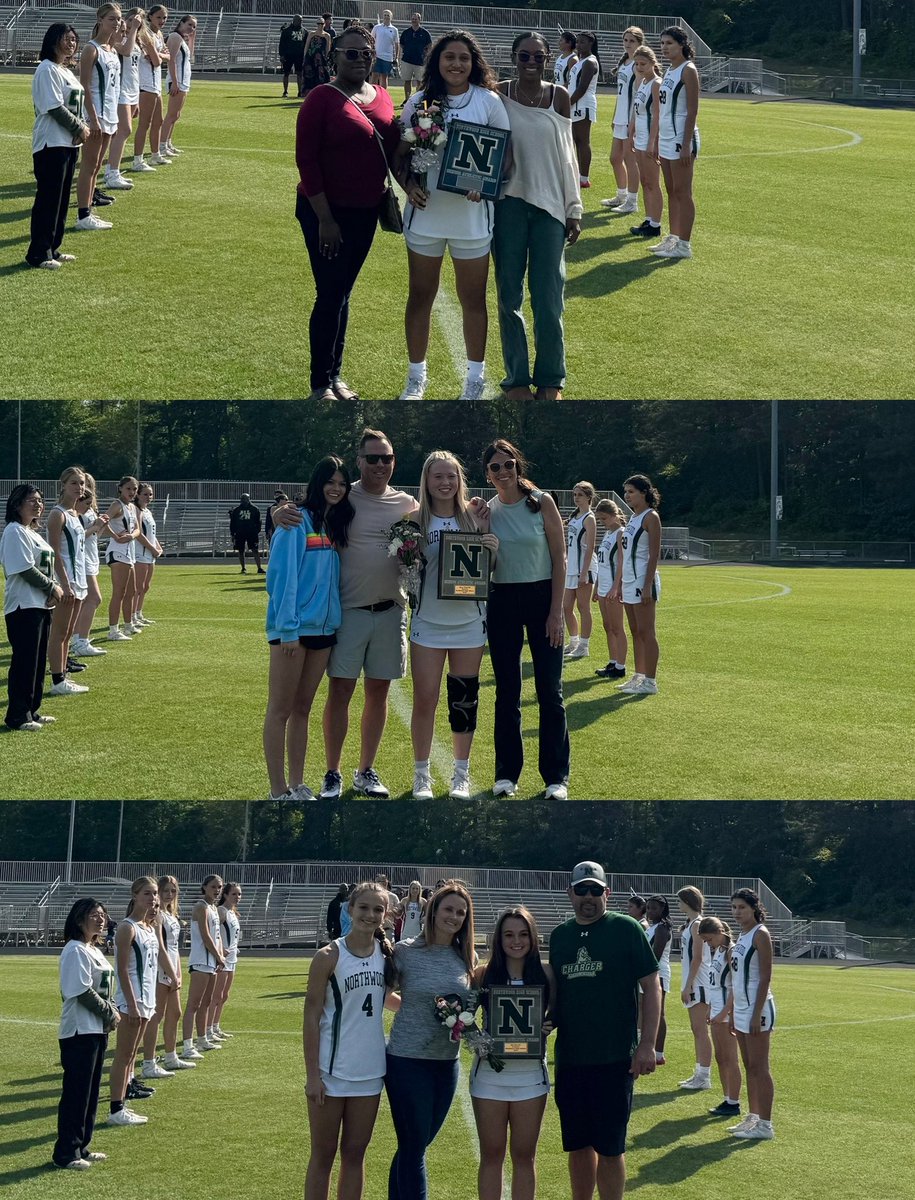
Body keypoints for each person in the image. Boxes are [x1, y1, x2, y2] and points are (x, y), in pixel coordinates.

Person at [396, 31, 510, 403]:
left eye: (464, 57)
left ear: (474, 62)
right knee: (420, 296)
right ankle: (416, 379)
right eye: (449, 57)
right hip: (426, 215)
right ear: (437, 62)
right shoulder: (418, 101)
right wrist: (408, 185)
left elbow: (504, 157)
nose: (457, 64)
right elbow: (400, 155)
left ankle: (474, 380)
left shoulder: (489, 101)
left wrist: (486, 183)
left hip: (472, 219)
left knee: (473, 299)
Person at [295, 24, 399, 402]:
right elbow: (306, 160)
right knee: (330, 293)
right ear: (334, 56)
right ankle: (320, 383)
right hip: (325, 212)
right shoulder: (321, 98)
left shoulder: (383, 96)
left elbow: (395, 151)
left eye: (366, 54)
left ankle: (335, 376)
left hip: (365, 212)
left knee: (343, 293)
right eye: (351, 53)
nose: (359, 60)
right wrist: (325, 219)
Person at [549, 862, 660, 1200]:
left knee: (611, 1148)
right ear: (570, 893)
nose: (588, 897)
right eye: (581, 889)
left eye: (595, 890)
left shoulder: (625, 928)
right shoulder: (560, 936)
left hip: (614, 1058)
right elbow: (556, 994)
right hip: (570, 1058)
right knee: (578, 1145)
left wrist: (647, 1045)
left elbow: (651, 987)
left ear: (607, 893)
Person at [319, 431, 416, 798]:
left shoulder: (407, 502)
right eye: (373, 458)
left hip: (392, 611)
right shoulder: (345, 495)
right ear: (359, 460)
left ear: (394, 461)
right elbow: (310, 506)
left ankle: (366, 770)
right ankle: (333, 772)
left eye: (386, 458)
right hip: (348, 611)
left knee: (379, 692)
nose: (380, 465)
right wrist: (282, 512)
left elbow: (445, 515)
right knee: (340, 690)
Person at [474, 440, 568, 800]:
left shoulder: (541, 502)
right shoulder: (488, 511)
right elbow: (486, 567)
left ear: (518, 465)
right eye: (495, 467)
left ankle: (556, 777)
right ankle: (506, 774)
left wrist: (556, 612)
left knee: (549, 690)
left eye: (508, 464)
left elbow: (560, 560)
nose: (503, 472)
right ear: (487, 474)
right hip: (503, 599)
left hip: (543, 596)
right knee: (507, 691)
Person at [494, 31, 582, 402]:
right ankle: (516, 379)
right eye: (524, 56)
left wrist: (573, 208)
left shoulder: (558, 96)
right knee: (508, 295)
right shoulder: (497, 93)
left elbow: (568, 154)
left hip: (550, 209)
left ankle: (551, 378)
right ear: (513, 57)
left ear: (548, 59)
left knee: (548, 297)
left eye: (538, 57)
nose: (531, 63)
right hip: (508, 204)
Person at [409, 451, 498, 800]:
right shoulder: (414, 519)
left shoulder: (476, 516)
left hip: (468, 623)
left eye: (451, 476)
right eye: (438, 477)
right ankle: (422, 775)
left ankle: (461, 773)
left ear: (460, 479)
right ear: (426, 481)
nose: (445, 483)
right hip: (427, 622)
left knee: (464, 699)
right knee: (425, 699)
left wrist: (492, 546)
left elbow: (489, 570)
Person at [263, 457, 352, 801]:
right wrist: (287, 629)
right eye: (330, 482)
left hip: (325, 631)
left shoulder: (335, 523)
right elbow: (281, 578)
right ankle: (277, 789)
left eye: (342, 483)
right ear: (317, 483)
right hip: (293, 632)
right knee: (280, 709)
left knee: (303, 709)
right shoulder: (295, 520)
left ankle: (298, 784)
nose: (336, 489)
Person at [303, 881, 398, 1200]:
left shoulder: (386, 956)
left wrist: (434, 1006)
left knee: (355, 1155)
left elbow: (386, 999)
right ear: (349, 909)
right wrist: (312, 1076)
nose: (370, 915)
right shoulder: (328, 955)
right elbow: (311, 1017)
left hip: (370, 1072)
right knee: (323, 1155)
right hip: (331, 1074)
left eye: (378, 909)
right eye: (364, 907)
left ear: (385, 916)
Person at [386, 881, 476, 1200]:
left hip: (445, 1065)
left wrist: (458, 1021)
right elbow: (383, 993)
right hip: (406, 1061)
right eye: (449, 909)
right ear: (433, 910)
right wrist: (416, 1007)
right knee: (414, 1146)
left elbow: (469, 1005)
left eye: (461, 912)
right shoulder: (406, 951)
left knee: (416, 1144)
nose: (454, 916)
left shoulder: (467, 957)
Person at [471, 906, 555, 1200]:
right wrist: (480, 1042)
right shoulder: (483, 974)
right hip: (489, 1078)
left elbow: (558, 1013)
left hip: (530, 1077)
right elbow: (465, 1023)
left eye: (523, 934)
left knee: (524, 1157)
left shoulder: (546, 973)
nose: (516, 941)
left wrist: (548, 1023)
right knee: (491, 1155)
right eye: (508, 934)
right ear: (498, 938)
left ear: (533, 937)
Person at [53, 899, 118, 1168]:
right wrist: (109, 1012)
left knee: (90, 1093)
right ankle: (66, 1153)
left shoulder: (93, 949)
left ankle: (82, 1146)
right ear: (79, 919)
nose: (100, 919)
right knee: (76, 1093)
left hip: (95, 1029)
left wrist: (110, 1009)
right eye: (94, 915)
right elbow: (79, 990)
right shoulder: (75, 950)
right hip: (80, 1030)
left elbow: (102, 987)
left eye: (103, 915)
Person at [26, 24, 89, 268]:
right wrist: (79, 128)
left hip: (68, 143)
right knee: (48, 199)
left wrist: (80, 127)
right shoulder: (46, 69)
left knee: (62, 200)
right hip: (51, 142)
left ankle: (53, 248)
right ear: (54, 40)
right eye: (67, 38)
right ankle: (38, 253)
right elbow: (53, 107)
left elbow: (75, 104)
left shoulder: (65, 71)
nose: (72, 43)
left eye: (74, 39)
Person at [1, 486, 62, 731]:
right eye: (31, 501)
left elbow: (45, 566)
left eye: (40, 500)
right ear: (17, 505)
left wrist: (52, 589)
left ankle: (32, 711)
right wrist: (52, 588)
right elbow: (24, 568)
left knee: (37, 662)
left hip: (39, 604)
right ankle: (17, 716)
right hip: (22, 605)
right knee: (25, 662)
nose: (37, 505)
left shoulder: (31, 532)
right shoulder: (15, 531)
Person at [108, 876, 159, 1126]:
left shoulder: (149, 927)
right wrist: (132, 1002)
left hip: (146, 1000)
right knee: (124, 1055)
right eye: (147, 893)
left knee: (132, 1055)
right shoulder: (128, 927)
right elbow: (122, 969)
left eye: (155, 894)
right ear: (135, 896)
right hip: (133, 1001)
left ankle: (124, 1101)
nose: (153, 898)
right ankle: (116, 1109)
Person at [727, 888, 776, 1140]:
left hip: (759, 1008)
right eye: (734, 907)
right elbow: (736, 978)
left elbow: (765, 976)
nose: (737, 912)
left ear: (754, 908)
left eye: (742, 907)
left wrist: (756, 1013)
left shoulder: (760, 934)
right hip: (743, 1008)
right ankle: (753, 1117)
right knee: (749, 1066)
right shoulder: (741, 935)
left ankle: (766, 1125)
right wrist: (735, 1011)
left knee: (760, 1067)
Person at [651, 27, 700, 260]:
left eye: (669, 43)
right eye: (662, 43)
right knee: (672, 190)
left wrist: (686, 142)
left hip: (682, 137)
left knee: (683, 192)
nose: (664, 47)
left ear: (681, 44)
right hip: (668, 137)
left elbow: (692, 111)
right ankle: (673, 237)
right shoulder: (670, 70)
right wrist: (659, 137)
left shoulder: (688, 69)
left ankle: (685, 245)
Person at [141, 874, 195, 1077]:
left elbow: (174, 949)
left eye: (173, 891)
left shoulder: (171, 915)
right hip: (160, 968)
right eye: (165, 891)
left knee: (175, 1013)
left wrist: (178, 972)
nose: (169, 894)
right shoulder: (157, 916)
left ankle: (171, 1056)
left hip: (172, 967)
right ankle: (148, 1063)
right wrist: (172, 974)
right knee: (157, 1016)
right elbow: (161, 948)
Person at [75, 4, 122, 232]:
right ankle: (83, 215)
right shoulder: (91, 49)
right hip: (96, 115)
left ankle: (88, 210)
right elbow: (84, 86)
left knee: (96, 167)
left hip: (110, 115)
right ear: (100, 19)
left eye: (119, 19)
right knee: (89, 166)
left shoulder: (112, 50)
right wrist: (93, 119)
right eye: (112, 18)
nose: (116, 23)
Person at [614, 474, 661, 696]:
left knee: (646, 631)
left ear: (644, 492)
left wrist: (647, 584)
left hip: (643, 580)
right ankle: (639, 675)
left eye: (631, 491)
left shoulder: (651, 517)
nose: (627, 496)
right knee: (635, 631)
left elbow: (653, 555)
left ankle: (650, 681)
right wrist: (623, 582)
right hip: (630, 580)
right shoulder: (633, 518)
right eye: (625, 492)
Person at [46, 466, 90, 697]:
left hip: (79, 581)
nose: (79, 487)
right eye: (74, 483)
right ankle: (57, 680)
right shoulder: (58, 514)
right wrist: (65, 583)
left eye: (81, 483)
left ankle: (63, 674)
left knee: (69, 632)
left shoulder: (76, 515)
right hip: (67, 582)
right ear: (63, 485)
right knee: (60, 633)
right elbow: (55, 552)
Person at [698, 915, 742, 1118]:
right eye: (705, 941)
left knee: (730, 1058)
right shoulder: (718, 951)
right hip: (716, 1009)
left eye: (709, 939)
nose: (708, 943)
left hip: (725, 1012)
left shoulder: (731, 951)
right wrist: (709, 1008)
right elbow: (714, 983)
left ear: (719, 933)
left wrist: (726, 1011)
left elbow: (735, 985)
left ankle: (734, 1102)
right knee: (720, 1057)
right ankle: (727, 1098)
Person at [599, 27, 644, 215]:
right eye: (625, 40)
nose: (627, 44)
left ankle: (632, 201)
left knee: (629, 159)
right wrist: (615, 115)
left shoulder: (640, 64)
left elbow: (640, 94)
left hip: (631, 118)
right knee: (614, 158)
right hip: (621, 117)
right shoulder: (625, 62)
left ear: (639, 43)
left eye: (631, 41)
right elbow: (621, 93)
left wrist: (633, 121)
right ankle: (621, 195)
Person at [180, 874, 225, 1060]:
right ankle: (187, 1045)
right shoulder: (201, 907)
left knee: (206, 1002)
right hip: (200, 960)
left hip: (210, 962)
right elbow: (206, 937)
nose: (217, 890)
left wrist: (219, 956)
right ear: (205, 887)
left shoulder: (214, 908)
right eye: (214, 886)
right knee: (194, 1004)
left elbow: (216, 936)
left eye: (219, 887)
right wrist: (219, 956)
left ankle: (202, 1038)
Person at [676, 885, 713, 1091]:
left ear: (688, 902)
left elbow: (698, 957)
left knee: (700, 1030)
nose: (678, 904)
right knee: (696, 1030)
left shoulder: (697, 924)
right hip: (694, 981)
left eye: (680, 900)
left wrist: (689, 984)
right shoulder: (690, 924)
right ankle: (699, 1073)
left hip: (699, 982)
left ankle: (704, 1076)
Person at [625, 47, 663, 239]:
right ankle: (648, 219)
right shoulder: (643, 82)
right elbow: (636, 109)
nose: (639, 68)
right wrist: (631, 130)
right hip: (639, 136)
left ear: (653, 63)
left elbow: (657, 114)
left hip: (649, 137)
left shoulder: (656, 83)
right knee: (645, 181)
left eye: (643, 64)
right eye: (637, 64)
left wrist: (653, 141)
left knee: (653, 182)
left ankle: (655, 224)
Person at [105, 8, 144, 190]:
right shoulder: (118, 41)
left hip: (131, 90)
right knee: (124, 130)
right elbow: (126, 52)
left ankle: (111, 170)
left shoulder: (136, 41)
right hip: (120, 90)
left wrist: (136, 95)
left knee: (119, 133)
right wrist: (133, 29)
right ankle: (113, 172)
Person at [71, 475, 108, 659]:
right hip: (82, 559)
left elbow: (93, 536)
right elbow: (77, 538)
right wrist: (95, 527)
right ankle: (80, 641)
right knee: (94, 598)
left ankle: (78, 640)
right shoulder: (74, 513)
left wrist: (100, 526)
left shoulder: (87, 509)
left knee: (85, 600)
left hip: (90, 556)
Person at [131, 4, 171, 172]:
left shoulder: (159, 35)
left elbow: (166, 56)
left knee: (158, 121)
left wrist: (160, 55)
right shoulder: (146, 34)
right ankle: (138, 160)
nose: (162, 21)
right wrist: (160, 57)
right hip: (145, 83)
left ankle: (155, 154)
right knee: (144, 123)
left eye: (164, 18)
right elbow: (156, 61)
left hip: (155, 83)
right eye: (158, 17)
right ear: (150, 17)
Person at [562, 481, 597, 661]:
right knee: (566, 607)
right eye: (575, 495)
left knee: (584, 607)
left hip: (584, 568)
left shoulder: (589, 518)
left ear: (589, 497)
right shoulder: (575, 517)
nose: (576, 498)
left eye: (580, 495)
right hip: (571, 568)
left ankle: (584, 645)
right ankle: (573, 641)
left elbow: (590, 547)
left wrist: (584, 573)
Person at [593, 499, 627, 680]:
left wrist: (617, 586)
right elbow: (602, 562)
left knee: (617, 627)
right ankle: (613, 661)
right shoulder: (608, 533)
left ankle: (620, 666)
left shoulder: (620, 533)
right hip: (604, 585)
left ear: (614, 515)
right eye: (599, 519)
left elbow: (621, 561)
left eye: (604, 519)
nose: (602, 522)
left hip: (613, 587)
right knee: (608, 626)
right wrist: (597, 586)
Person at [105, 474, 140, 641]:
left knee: (131, 591)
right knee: (119, 592)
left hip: (129, 552)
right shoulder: (116, 504)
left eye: (134, 489)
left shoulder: (132, 507)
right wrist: (115, 536)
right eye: (128, 488)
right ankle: (113, 630)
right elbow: (103, 520)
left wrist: (131, 536)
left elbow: (137, 529)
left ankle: (128, 625)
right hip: (118, 552)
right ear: (120, 488)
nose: (132, 492)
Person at [160, 13, 196, 155]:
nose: (192, 28)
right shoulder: (175, 37)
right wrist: (175, 82)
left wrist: (192, 39)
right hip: (178, 81)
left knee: (176, 115)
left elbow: (190, 59)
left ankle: (168, 143)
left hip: (183, 81)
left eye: (194, 26)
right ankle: (162, 145)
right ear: (181, 23)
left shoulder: (182, 39)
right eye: (189, 25)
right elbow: (171, 60)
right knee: (171, 114)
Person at [567, 32, 599, 189]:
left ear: (590, 43)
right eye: (577, 42)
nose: (579, 45)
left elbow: (582, 88)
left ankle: (584, 178)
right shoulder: (580, 61)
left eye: (583, 42)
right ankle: (576, 174)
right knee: (574, 140)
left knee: (582, 141)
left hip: (583, 104)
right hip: (575, 104)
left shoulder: (590, 62)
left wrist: (568, 103)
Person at [211, 881, 242, 1040]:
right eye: (234, 894)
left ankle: (216, 1026)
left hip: (232, 959)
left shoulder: (232, 913)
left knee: (224, 996)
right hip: (222, 959)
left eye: (239, 894)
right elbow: (213, 933)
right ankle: (208, 1029)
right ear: (225, 895)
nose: (237, 897)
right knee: (216, 995)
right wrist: (219, 949)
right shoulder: (221, 911)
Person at [645, 895, 672, 1065]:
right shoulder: (652, 927)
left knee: (659, 1013)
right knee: (647, 1011)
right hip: (650, 973)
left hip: (658, 974)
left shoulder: (662, 928)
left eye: (654, 908)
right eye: (648, 907)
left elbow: (656, 955)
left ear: (662, 909)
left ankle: (659, 1053)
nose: (650, 911)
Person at [133, 482, 162, 627]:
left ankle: (139, 613)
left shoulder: (148, 512)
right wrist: (152, 548)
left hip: (149, 554)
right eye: (145, 494)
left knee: (145, 586)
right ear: (137, 495)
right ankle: (132, 616)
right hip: (140, 553)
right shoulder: (137, 511)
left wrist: (158, 546)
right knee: (138, 587)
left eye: (150, 494)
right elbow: (139, 535)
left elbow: (151, 534)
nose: (148, 497)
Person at [229, 492, 263, 574]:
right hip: (240, 533)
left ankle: (259, 568)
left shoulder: (255, 509)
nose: (244, 500)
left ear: (249, 499)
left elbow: (259, 522)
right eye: (242, 499)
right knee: (241, 550)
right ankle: (243, 568)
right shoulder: (236, 510)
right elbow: (232, 523)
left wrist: (256, 531)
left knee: (255, 550)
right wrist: (233, 534)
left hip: (252, 533)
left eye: (245, 499)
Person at [399, 14, 431, 102]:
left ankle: (418, 100)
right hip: (407, 60)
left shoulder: (425, 33)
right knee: (407, 80)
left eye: (415, 19)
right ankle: (407, 99)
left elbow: (429, 45)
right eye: (412, 19)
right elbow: (401, 44)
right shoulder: (406, 32)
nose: (413, 20)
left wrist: (426, 56)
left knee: (419, 82)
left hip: (420, 61)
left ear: (419, 20)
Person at [301, 14, 331, 95]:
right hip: (311, 56)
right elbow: (307, 46)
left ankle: (321, 92)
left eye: (321, 24)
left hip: (321, 58)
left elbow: (328, 48)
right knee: (309, 74)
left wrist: (327, 58)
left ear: (324, 24)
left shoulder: (327, 35)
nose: (320, 25)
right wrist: (305, 57)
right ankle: (308, 92)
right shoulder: (311, 33)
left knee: (321, 75)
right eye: (318, 23)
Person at [279, 13, 306, 98]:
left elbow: (306, 44)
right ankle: (285, 91)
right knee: (286, 73)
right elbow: (281, 44)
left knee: (300, 74)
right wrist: (282, 55)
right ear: (294, 20)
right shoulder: (286, 31)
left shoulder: (305, 31)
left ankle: (300, 92)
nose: (301, 22)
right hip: (288, 55)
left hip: (299, 56)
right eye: (299, 20)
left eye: (301, 20)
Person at [370, 9, 399, 88]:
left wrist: (396, 57)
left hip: (387, 57)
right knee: (374, 75)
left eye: (388, 15)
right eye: (385, 15)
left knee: (384, 77)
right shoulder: (377, 27)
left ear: (391, 17)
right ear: (383, 17)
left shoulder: (394, 30)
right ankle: (373, 95)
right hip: (377, 55)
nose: (386, 17)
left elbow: (396, 44)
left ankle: (383, 95)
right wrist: (372, 51)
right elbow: (371, 39)